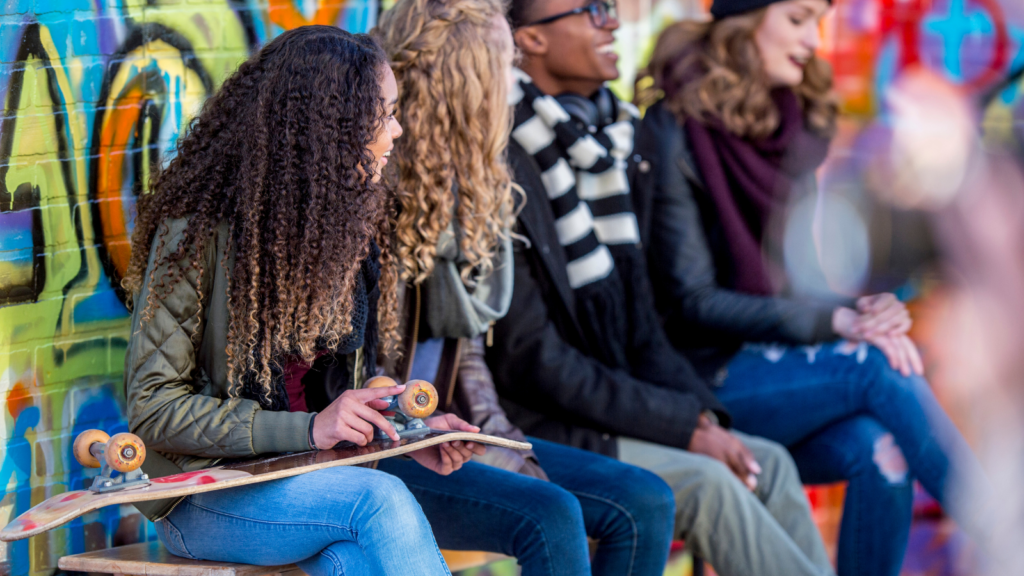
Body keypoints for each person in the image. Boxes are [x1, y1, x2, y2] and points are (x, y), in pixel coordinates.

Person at [635, 1, 992, 574]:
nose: (813, 38)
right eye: (798, 18)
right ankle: (1002, 531)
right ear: (746, 22)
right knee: (872, 366)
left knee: (883, 450)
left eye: (818, 20)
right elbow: (692, 301)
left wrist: (862, 310)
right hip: (695, 380)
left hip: (777, 367)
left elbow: (800, 282)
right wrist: (841, 324)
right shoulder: (672, 127)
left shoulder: (791, 121)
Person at [487, 1, 836, 575]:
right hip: (542, 421)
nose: (614, 22)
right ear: (533, 40)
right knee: (708, 482)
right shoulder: (507, 159)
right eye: (593, 10)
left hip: (614, 400)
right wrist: (681, 428)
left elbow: (641, 324)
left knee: (766, 462)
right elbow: (535, 360)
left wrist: (698, 420)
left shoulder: (612, 142)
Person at [122, 26, 470, 576]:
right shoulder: (194, 234)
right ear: (328, 129)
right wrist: (308, 430)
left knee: (350, 563)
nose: (397, 131)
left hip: (309, 477)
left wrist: (403, 425)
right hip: (204, 494)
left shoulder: (345, 229)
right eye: (385, 115)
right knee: (378, 500)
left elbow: (335, 395)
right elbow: (154, 409)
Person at [372, 2, 675, 575]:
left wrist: (501, 439)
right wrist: (479, 444)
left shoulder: (470, 184)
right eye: (502, 66)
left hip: (454, 428)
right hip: (393, 443)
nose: (511, 87)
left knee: (645, 501)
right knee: (551, 513)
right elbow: (356, 373)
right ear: (466, 79)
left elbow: (468, 355)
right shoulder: (382, 191)